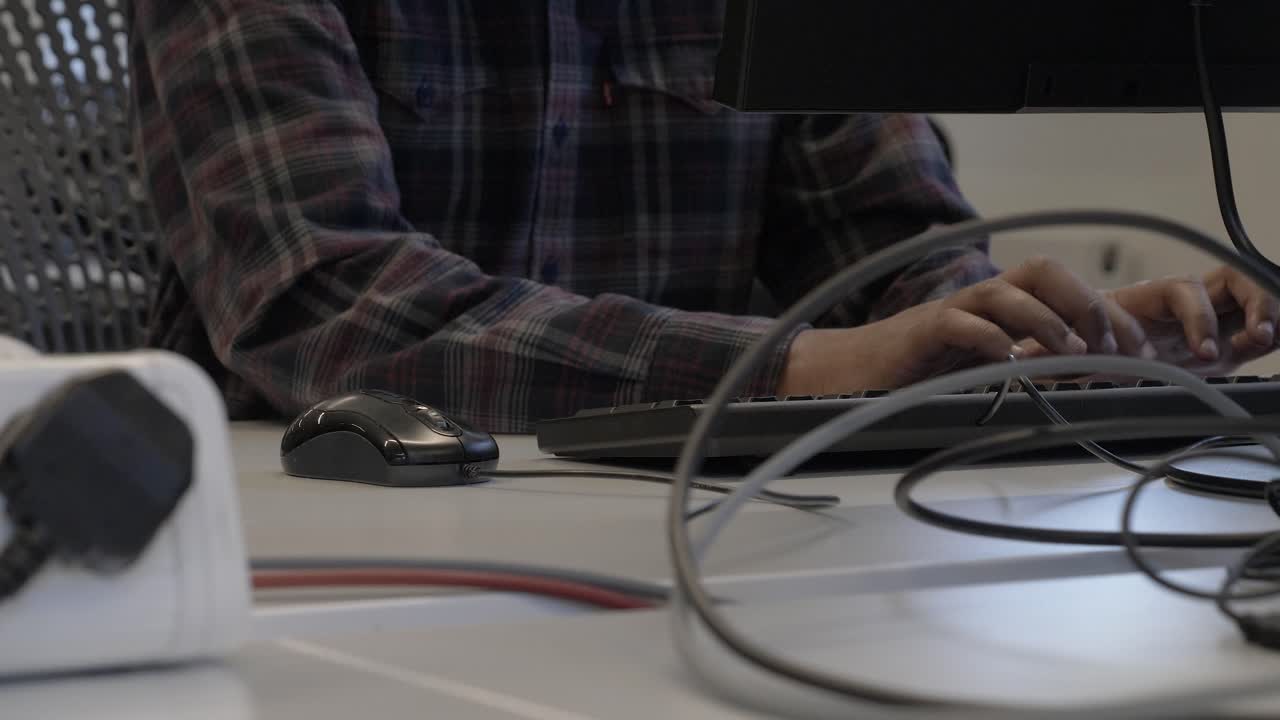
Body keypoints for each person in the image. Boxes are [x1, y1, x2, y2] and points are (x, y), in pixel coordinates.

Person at [130, 1, 1280, 433]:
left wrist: (1040, 339)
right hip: (330, 550)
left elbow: (885, 250)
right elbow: (330, 310)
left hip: (668, 530)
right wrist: (801, 364)